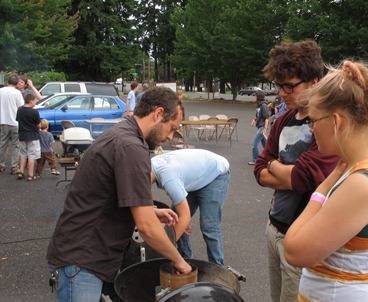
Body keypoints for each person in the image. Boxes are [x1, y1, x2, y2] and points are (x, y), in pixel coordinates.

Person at [46, 87, 191, 302]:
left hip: (90, 256)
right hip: (82, 259)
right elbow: (147, 228)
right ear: (158, 113)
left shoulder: (124, 135)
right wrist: (179, 260)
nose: (170, 137)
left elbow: (107, 193)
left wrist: (151, 210)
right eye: (171, 128)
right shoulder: (129, 146)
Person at [284, 60, 368, 301]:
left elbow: (294, 250)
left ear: (337, 122)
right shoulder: (359, 165)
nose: (311, 129)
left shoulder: (362, 184)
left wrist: (323, 188)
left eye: (313, 120)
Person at [253, 39, 339, 302]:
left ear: (314, 82)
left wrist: (272, 165)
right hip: (274, 227)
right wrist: (279, 170)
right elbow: (258, 170)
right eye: (279, 86)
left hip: (302, 237)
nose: (282, 93)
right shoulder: (283, 120)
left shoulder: (325, 124)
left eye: (289, 86)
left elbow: (303, 178)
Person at [151, 149, 230, 266]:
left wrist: (165, 250)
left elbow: (185, 217)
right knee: (175, 220)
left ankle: (218, 269)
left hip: (215, 175)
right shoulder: (148, 165)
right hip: (195, 176)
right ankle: (184, 260)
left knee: (209, 227)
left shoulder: (169, 178)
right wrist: (182, 220)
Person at [0, 73, 25, 174]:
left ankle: (1, 164)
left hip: (3, 121)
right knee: (16, 145)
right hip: (15, 122)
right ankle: (14, 166)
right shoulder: (17, 93)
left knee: (2, 144)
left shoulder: (1, 91)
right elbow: (21, 107)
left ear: (8, 81)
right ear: (16, 83)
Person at [15, 93, 41, 181]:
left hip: (22, 134)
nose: (35, 102)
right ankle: (30, 174)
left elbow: (18, 120)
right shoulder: (34, 111)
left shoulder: (20, 110)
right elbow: (38, 125)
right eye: (35, 100)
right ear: (31, 101)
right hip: (32, 135)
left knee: (23, 154)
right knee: (32, 155)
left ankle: (21, 172)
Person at [248, 94, 270, 165]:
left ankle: (255, 160)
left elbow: (266, 117)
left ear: (259, 97)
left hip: (262, 127)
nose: (254, 97)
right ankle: (270, 158)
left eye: (256, 96)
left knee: (254, 144)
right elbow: (258, 115)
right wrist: (254, 120)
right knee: (265, 145)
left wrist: (265, 128)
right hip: (259, 125)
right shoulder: (259, 105)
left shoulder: (264, 106)